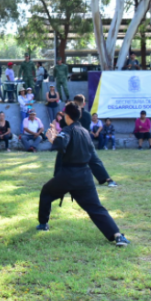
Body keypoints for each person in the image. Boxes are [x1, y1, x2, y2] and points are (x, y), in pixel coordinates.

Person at [36, 102, 130, 246]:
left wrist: (53, 138)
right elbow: (93, 158)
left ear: (67, 116)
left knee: (46, 193)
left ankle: (43, 224)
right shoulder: (85, 132)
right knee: (96, 207)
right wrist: (105, 177)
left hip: (67, 176)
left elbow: (61, 144)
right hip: (85, 177)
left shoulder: (67, 130)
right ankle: (117, 235)